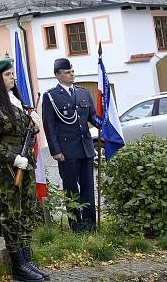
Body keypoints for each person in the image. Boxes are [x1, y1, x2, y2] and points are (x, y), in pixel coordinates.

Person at [0, 59, 48, 282]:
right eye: (9, 75)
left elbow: (22, 133)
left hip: (24, 164)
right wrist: (12, 158)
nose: (13, 78)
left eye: (12, 74)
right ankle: (19, 265)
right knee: (12, 214)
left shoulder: (15, 101)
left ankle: (27, 261)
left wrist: (34, 126)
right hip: (7, 170)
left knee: (27, 211)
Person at [42, 58, 101, 233]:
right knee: (71, 189)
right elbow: (49, 126)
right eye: (67, 72)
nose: (71, 75)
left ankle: (90, 226)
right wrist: (55, 150)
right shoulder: (51, 97)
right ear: (57, 75)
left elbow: (93, 117)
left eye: (72, 71)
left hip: (86, 148)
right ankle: (76, 226)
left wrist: (105, 124)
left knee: (88, 188)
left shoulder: (83, 93)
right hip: (67, 151)